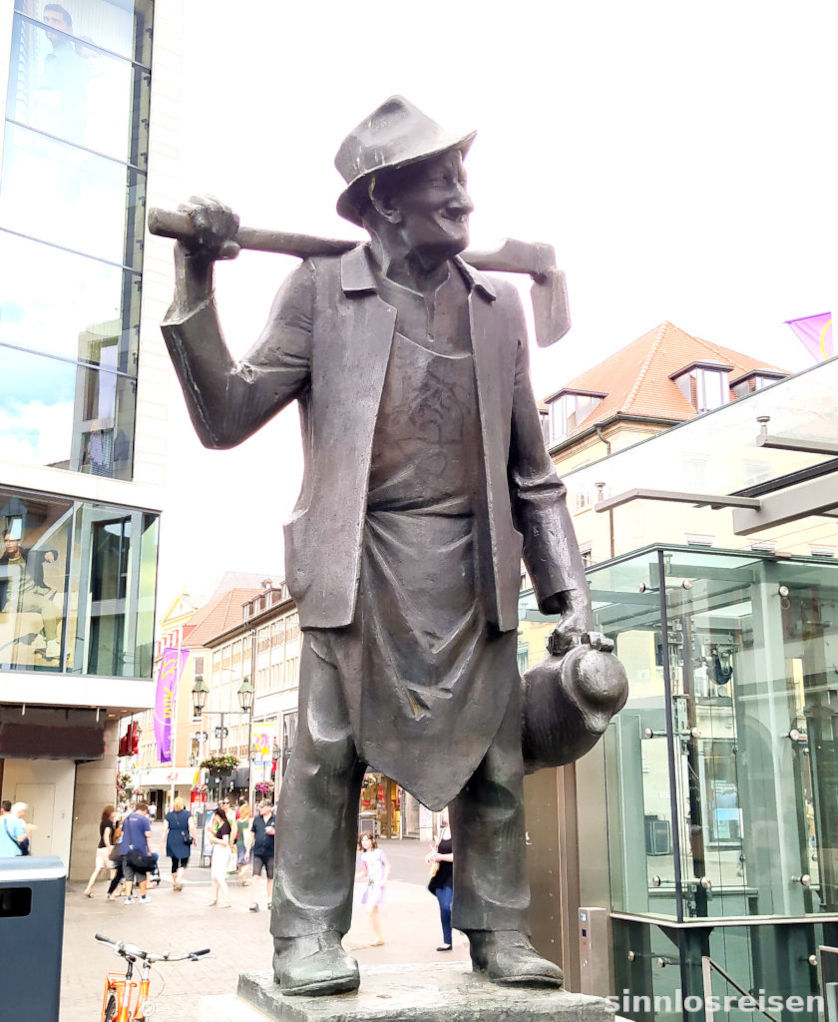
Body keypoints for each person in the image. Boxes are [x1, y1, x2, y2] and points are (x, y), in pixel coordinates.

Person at [162, 96, 590, 995]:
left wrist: (570, 598)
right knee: (326, 751)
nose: (461, 191)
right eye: (439, 176)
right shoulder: (322, 292)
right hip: (357, 558)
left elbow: (533, 471)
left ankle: (499, 930)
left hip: (474, 566)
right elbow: (227, 415)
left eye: (461, 173)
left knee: (494, 758)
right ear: (386, 202)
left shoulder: (497, 306)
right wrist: (196, 280)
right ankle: (308, 935)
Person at [0, 532, 61, 659]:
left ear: (19, 542)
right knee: (47, 606)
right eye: (6, 541)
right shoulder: (3, 563)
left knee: (59, 611)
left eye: (12, 540)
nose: (9, 543)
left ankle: (40, 638)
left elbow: (50, 552)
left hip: (34, 593)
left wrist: (51, 554)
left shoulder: (28, 555)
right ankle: (52, 646)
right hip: (16, 599)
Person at [426, 808, 454, 951]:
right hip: (440, 874)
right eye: (443, 813)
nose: (444, 815)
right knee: (443, 908)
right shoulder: (443, 831)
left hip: (452, 874)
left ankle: (460, 923)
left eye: (447, 813)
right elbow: (437, 851)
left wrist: (441, 857)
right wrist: (431, 856)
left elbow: (458, 856)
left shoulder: (458, 832)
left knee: (446, 906)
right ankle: (447, 941)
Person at [355, 833, 390, 947]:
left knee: (370, 910)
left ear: (372, 841)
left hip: (379, 883)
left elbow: (388, 865)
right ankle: (378, 936)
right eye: (362, 840)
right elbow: (365, 872)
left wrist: (385, 879)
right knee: (373, 912)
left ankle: (378, 936)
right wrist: (354, 878)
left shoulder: (379, 853)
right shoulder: (364, 856)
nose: (364, 842)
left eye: (367, 840)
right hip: (370, 884)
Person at [246, 801, 276, 913]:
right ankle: (254, 901)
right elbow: (252, 835)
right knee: (255, 876)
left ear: (269, 808)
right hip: (258, 852)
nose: (260, 809)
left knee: (270, 877)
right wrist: (247, 851)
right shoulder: (257, 819)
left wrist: (275, 832)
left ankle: (270, 900)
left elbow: (283, 834)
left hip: (271, 852)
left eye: (262, 807)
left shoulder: (275, 819)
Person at [121, 800, 153, 904]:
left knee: (128, 875)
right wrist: (149, 849)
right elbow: (148, 835)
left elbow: (122, 832)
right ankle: (143, 897)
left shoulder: (128, 818)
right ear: (144, 810)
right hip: (139, 851)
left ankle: (128, 898)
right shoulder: (144, 819)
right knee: (141, 874)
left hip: (126, 850)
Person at [161, 796, 195, 891]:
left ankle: (175, 882)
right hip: (183, 838)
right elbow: (192, 827)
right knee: (184, 861)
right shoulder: (187, 814)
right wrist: (195, 838)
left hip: (172, 838)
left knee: (174, 862)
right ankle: (178, 880)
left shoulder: (169, 815)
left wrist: (162, 841)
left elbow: (164, 829)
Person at [83, 804, 116, 896]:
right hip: (107, 848)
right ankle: (111, 893)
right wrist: (109, 848)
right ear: (110, 813)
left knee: (97, 869)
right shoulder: (109, 823)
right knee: (113, 869)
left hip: (100, 848)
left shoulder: (103, 822)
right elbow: (106, 836)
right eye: (113, 811)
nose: (115, 813)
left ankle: (88, 888)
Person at [207, 804, 233, 908]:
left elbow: (225, 841)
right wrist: (212, 832)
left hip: (222, 851)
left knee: (219, 876)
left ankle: (227, 899)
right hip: (218, 850)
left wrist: (214, 839)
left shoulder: (225, 825)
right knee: (214, 876)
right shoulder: (221, 825)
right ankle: (214, 898)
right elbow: (219, 835)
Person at [235, 801, 252, 884]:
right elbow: (251, 833)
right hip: (247, 843)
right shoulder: (249, 820)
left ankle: (243, 880)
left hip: (239, 842)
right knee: (248, 862)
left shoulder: (238, 821)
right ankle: (242, 875)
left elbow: (234, 832)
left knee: (241, 862)